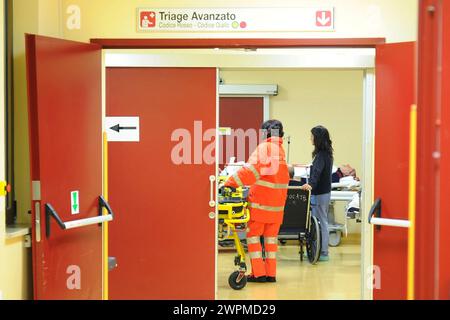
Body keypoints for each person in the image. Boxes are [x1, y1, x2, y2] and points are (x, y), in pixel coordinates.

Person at [224, 119, 289, 283]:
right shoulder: (280, 150)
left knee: (253, 238)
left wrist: (230, 182)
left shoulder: (265, 148)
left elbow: (250, 171)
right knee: (270, 241)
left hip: (261, 204)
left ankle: (259, 274)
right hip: (277, 206)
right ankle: (271, 274)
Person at [301, 125, 333, 262]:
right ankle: (320, 250)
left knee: (322, 222)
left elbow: (317, 173)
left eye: (312, 136)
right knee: (321, 221)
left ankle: (324, 252)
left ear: (318, 138)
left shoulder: (321, 155)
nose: (310, 139)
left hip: (320, 193)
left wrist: (311, 185)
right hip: (323, 192)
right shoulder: (326, 154)